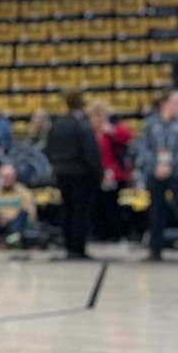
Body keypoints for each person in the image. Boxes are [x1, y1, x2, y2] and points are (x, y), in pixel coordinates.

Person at [45, 89, 102, 260]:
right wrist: (98, 173)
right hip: (81, 174)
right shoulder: (81, 124)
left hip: (61, 173)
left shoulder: (57, 124)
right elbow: (90, 152)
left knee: (67, 210)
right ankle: (78, 249)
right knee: (80, 213)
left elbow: (48, 148)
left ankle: (69, 247)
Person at [139, 86, 178, 262]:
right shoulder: (150, 123)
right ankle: (155, 250)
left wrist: (170, 166)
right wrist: (156, 166)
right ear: (164, 103)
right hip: (155, 173)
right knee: (156, 212)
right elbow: (144, 148)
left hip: (176, 172)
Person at [90, 101, 133, 243]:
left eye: (100, 115)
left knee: (112, 205)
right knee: (97, 205)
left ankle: (114, 234)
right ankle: (99, 233)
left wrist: (112, 131)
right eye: (94, 116)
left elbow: (127, 137)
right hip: (95, 174)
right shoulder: (89, 131)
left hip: (113, 174)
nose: (97, 119)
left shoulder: (113, 127)